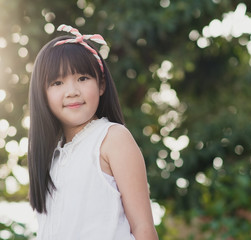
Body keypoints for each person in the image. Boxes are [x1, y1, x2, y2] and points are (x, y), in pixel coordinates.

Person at [28, 24, 158, 240]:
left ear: (101, 85)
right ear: (43, 94)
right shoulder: (52, 157)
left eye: (82, 78)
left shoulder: (112, 138)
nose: (72, 92)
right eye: (57, 82)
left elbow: (143, 228)